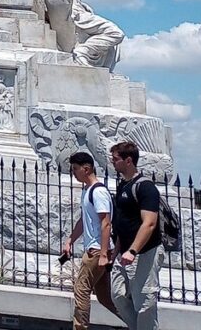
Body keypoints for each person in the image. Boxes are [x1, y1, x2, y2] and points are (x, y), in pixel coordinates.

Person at [110, 140, 162, 330]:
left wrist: (132, 250)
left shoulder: (146, 187)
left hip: (144, 252)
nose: (112, 162)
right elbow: (122, 223)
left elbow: (150, 223)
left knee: (145, 302)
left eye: (115, 159)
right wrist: (115, 251)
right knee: (117, 295)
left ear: (128, 160)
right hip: (123, 251)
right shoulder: (122, 185)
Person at [62, 151, 117, 330]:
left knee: (81, 289)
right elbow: (84, 221)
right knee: (105, 297)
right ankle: (133, 322)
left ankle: (80, 327)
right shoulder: (87, 190)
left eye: (75, 169)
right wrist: (70, 240)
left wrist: (103, 254)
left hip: (96, 251)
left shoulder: (98, 192)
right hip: (97, 250)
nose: (73, 173)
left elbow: (106, 223)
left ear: (86, 169)